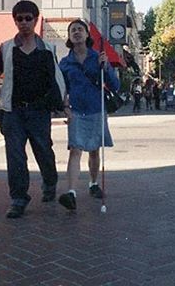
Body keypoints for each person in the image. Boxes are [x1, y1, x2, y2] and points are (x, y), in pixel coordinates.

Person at [0, 0, 66, 219]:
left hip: (39, 112)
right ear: (15, 21)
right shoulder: (6, 47)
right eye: (19, 18)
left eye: (28, 18)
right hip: (13, 112)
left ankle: (49, 183)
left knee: (44, 152)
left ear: (36, 20)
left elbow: (56, 79)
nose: (24, 22)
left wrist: (63, 105)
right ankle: (18, 198)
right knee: (15, 156)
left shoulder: (48, 49)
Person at [57, 19, 120, 210]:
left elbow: (115, 85)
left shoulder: (97, 57)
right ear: (69, 37)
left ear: (87, 35)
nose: (76, 32)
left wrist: (107, 66)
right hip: (76, 111)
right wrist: (65, 109)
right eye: (73, 30)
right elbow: (62, 90)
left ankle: (93, 184)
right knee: (75, 150)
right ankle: (71, 193)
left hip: (96, 109)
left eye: (80, 29)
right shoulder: (65, 63)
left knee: (94, 149)